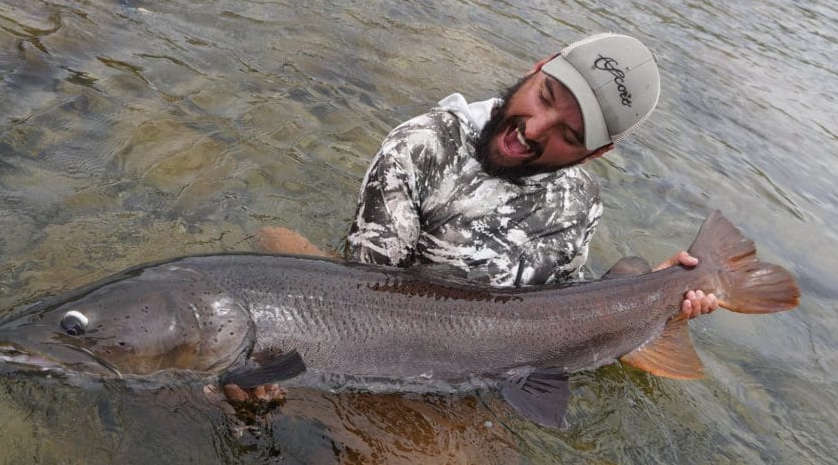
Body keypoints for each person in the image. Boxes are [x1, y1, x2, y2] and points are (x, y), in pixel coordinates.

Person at [260, 33, 718, 318]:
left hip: (499, 355)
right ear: (536, 67)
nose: (532, 129)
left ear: (596, 153)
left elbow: (561, 301)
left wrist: (654, 294)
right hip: (395, 324)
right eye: (545, 96)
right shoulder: (422, 147)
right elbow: (367, 305)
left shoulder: (581, 201)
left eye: (569, 134)